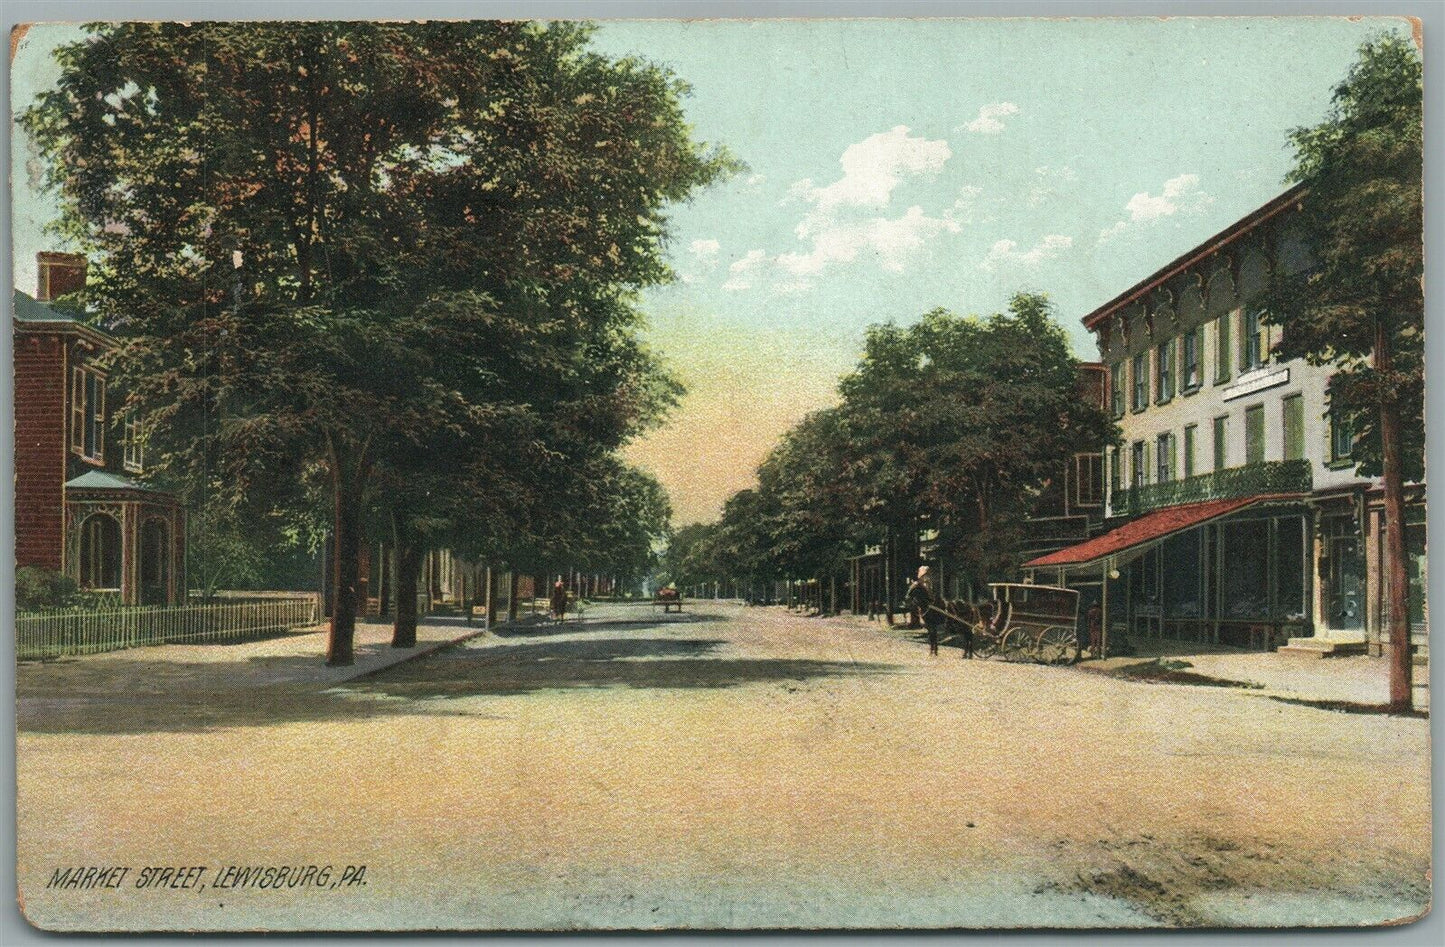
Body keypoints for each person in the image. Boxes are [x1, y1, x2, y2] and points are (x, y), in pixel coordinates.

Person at [904, 566, 940, 656]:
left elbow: (933, 595)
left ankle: (934, 648)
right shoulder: (918, 585)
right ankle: (933, 648)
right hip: (924, 606)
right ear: (921, 576)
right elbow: (909, 594)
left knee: (932, 629)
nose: (926, 577)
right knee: (931, 629)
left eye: (927, 575)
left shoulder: (929, 584)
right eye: (924, 576)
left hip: (933, 605)